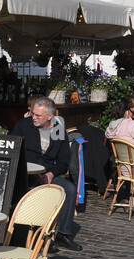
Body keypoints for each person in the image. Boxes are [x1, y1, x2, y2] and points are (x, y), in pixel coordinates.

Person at [10, 97, 82, 250]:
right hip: (26, 174)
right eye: (32, 113)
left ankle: (63, 233)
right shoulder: (24, 126)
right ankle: (34, 236)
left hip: (47, 173)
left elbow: (64, 161)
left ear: (50, 116)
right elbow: (11, 148)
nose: (33, 117)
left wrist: (51, 174)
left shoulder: (57, 129)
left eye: (38, 115)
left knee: (68, 189)